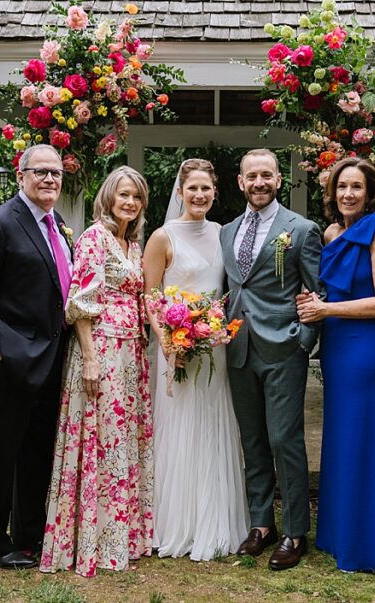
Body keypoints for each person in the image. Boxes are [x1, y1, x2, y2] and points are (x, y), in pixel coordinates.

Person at [0, 144, 72, 569]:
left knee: (37, 451)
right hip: (13, 360)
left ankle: (29, 535)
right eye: (40, 171)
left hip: (53, 359)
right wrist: (2, 350)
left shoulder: (59, 225)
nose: (49, 179)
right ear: (21, 176)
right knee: (0, 452)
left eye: (55, 173)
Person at [39, 165, 154, 578]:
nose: (130, 202)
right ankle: (89, 540)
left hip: (130, 354)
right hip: (101, 350)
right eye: (123, 194)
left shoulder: (132, 245)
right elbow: (80, 303)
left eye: (136, 196)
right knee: (99, 441)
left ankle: (119, 537)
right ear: (108, 198)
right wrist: (89, 358)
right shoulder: (93, 238)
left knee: (120, 443)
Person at [295, 157, 375, 576]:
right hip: (337, 348)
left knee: (366, 440)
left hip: (369, 348)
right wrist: (312, 304)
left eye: (357, 186)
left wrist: (326, 309)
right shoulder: (331, 233)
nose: (348, 194)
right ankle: (341, 536)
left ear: (370, 191)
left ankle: (370, 546)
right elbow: (326, 292)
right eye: (342, 186)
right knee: (342, 439)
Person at [220, 148, 324, 571]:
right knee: (253, 440)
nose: (259, 182)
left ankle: (295, 531)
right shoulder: (226, 231)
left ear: (279, 180)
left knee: (284, 440)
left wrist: (303, 341)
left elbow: (317, 292)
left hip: (283, 349)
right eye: (252, 176)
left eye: (267, 175)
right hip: (238, 348)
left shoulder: (301, 229)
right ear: (241, 182)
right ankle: (262, 524)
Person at [142, 158, 248, 561]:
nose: (200, 195)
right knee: (179, 426)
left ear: (215, 192)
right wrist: (168, 342)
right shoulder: (162, 237)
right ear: (181, 192)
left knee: (214, 424)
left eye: (206, 188)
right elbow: (151, 296)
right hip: (176, 349)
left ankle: (215, 520)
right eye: (193, 188)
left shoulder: (223, 234)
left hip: (214, 347)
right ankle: (176, 524)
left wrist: (211, 330)